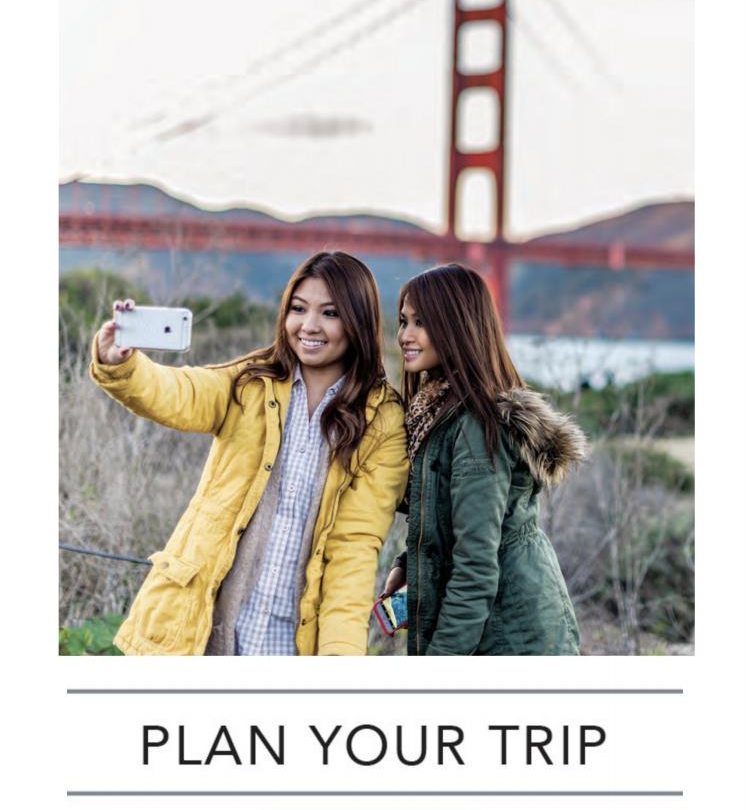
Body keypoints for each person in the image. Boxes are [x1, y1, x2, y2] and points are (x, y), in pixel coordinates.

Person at [90, 251, 408, 656]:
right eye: (298, 309)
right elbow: (179, 393)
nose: (308, 326)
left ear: (358, 321)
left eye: (329, 313)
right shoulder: (251, 381)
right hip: (203, 630)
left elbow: (354, 552)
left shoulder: (382, 421)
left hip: (291, 643)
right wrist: (124, 366)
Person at [385, 264, 585, 656]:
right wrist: (409, 564)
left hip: (513, 638)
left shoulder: (475, 425)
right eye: (403, 321)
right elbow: (455, 521)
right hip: (495, 629)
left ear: (456, 325)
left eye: (421, 323)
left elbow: (476, 570)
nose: (404, 336)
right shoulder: (439, 410)